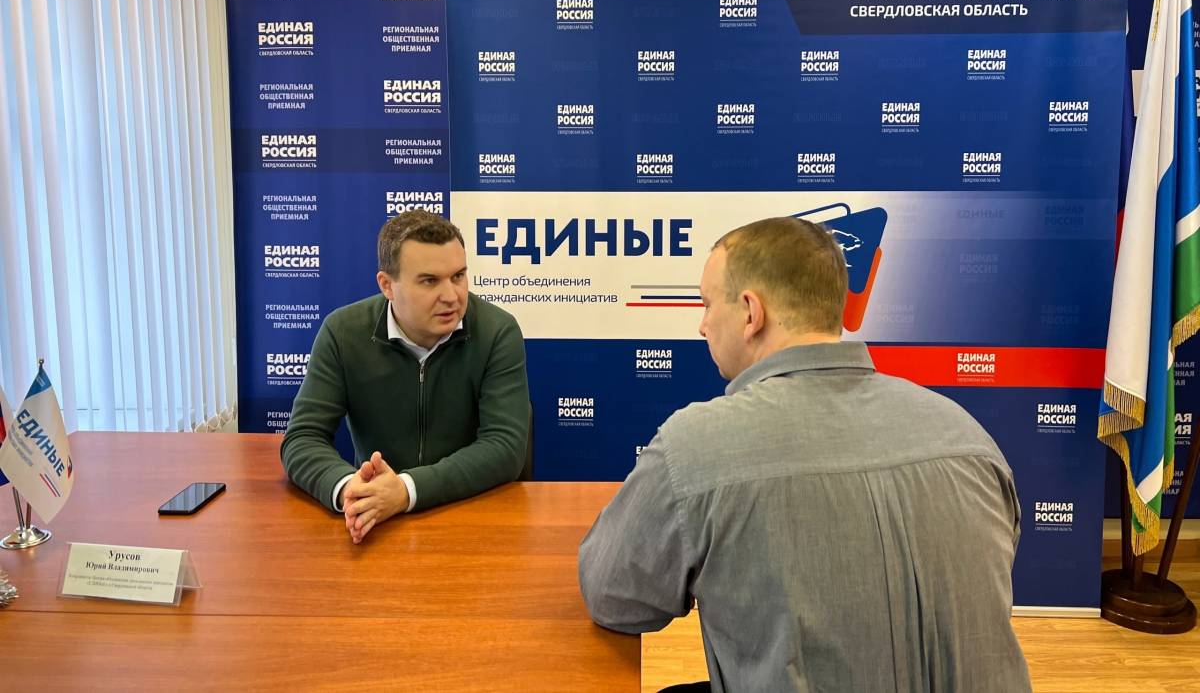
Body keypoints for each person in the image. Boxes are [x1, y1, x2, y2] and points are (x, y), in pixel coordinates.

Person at [578, 217, 1031, 692]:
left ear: (751, 313)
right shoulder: (968, 437)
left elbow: (614, 596)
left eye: (708, 304)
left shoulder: (694, 447)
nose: (702, 325)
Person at [281, 209, 530, 544]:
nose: (452, 296)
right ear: (387, 285)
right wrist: (350, 490)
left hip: (471, 512)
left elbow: (505, 447)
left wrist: (406, 489)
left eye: (458, 276)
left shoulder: (497, 331)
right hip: (377, 521)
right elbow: (303, 438)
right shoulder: (342, 332)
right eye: (430, 281)